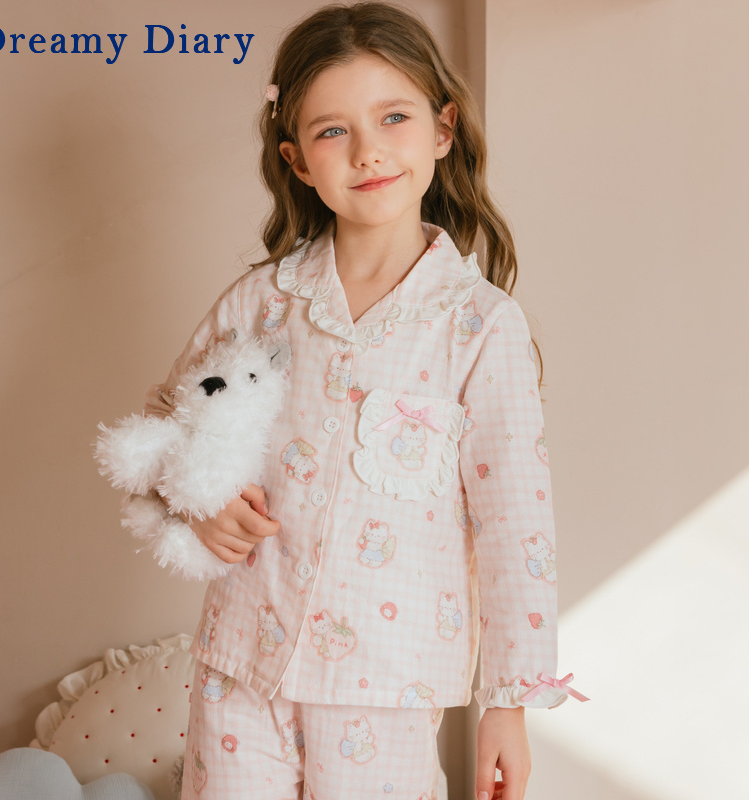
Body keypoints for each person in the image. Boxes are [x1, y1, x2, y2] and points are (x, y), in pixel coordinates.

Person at [142, 3, 585, 798]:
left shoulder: (480, 326)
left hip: (387, 686)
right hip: (239, 668)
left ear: (443, 129)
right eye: (332, 130)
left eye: (393, 117)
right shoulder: (260, 305)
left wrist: (508, 704)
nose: (368, 150)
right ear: (297, 159)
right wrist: (198, 506)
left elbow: (516, 523)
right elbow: (164, 434)